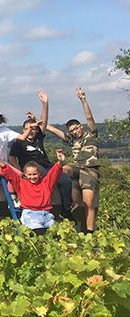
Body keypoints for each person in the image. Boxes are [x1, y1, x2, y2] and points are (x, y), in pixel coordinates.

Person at [9, 91, 75, 220]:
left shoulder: (39, 138)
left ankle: (66, 210)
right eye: (29, 128)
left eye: (34, 128)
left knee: (66, 181)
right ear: (24, 130)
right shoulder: (19, 142)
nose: (32, 131)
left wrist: (45, 104)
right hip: (32, 168)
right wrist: (18, 170)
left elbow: (44, 122)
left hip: (47, 165)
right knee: (43, 175)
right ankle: (41, 206)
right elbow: (11, 157)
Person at [45, 87, 100, 233]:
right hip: (76, 166)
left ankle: (89, 231)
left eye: (76, 129)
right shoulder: (72, 140)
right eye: (72, 131)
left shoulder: (91, 135)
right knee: (58, 171)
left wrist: (83, 100)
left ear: (81, 126)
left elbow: (89, 118)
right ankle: (69, 202)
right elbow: (56, 131)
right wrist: (39, 122)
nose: (75, 132)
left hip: (89, 169)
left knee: (89, 202)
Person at [0, 149, 66, 236]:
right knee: (38, 235)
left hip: (46, 214)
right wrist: (0, 162)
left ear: (39, 174)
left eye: (35, 174)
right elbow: (10, 174)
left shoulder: (46, 183)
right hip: (31, 214)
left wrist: (60, 162)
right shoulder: (21, 184)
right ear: (25, 174)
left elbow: (54, 173)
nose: (32, 177)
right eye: (29, 175)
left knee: (55, 235)